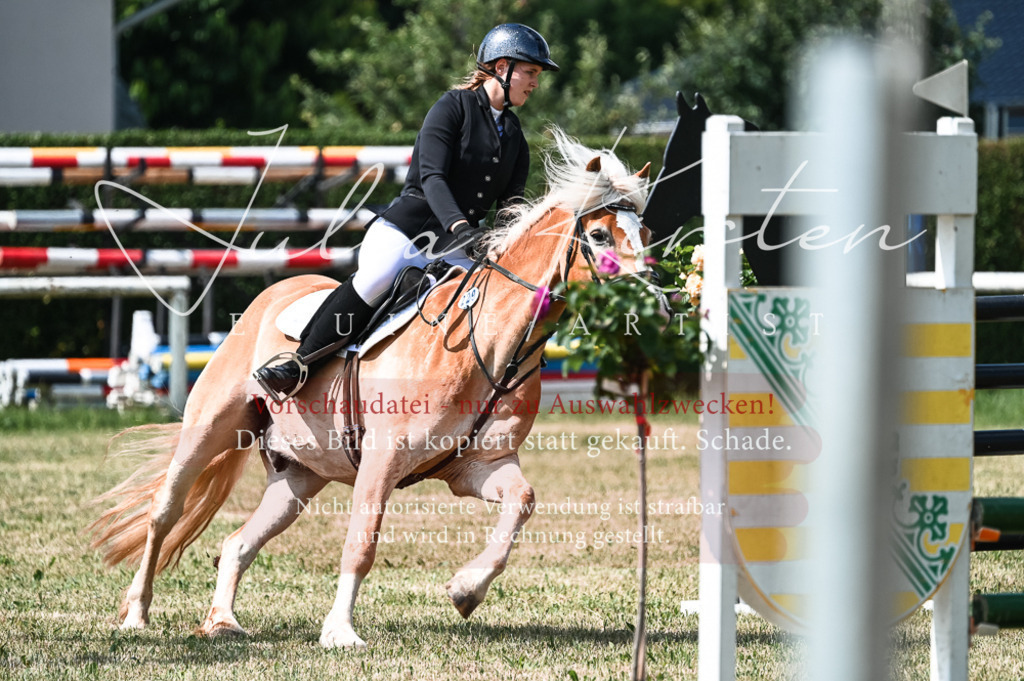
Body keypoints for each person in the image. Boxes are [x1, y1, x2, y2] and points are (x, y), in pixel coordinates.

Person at [254, 23, 559, 401]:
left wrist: (503, 248)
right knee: (377, 277)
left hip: (460, 245)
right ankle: (299, 364)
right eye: (531, 72)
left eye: (537, 75)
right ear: (502, 67)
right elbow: (432, 177)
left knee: (494, 301)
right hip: (408, 232)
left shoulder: (514, 135)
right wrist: (461, 226)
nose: (535, 83)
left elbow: (511, 207)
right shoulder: (452, 107)